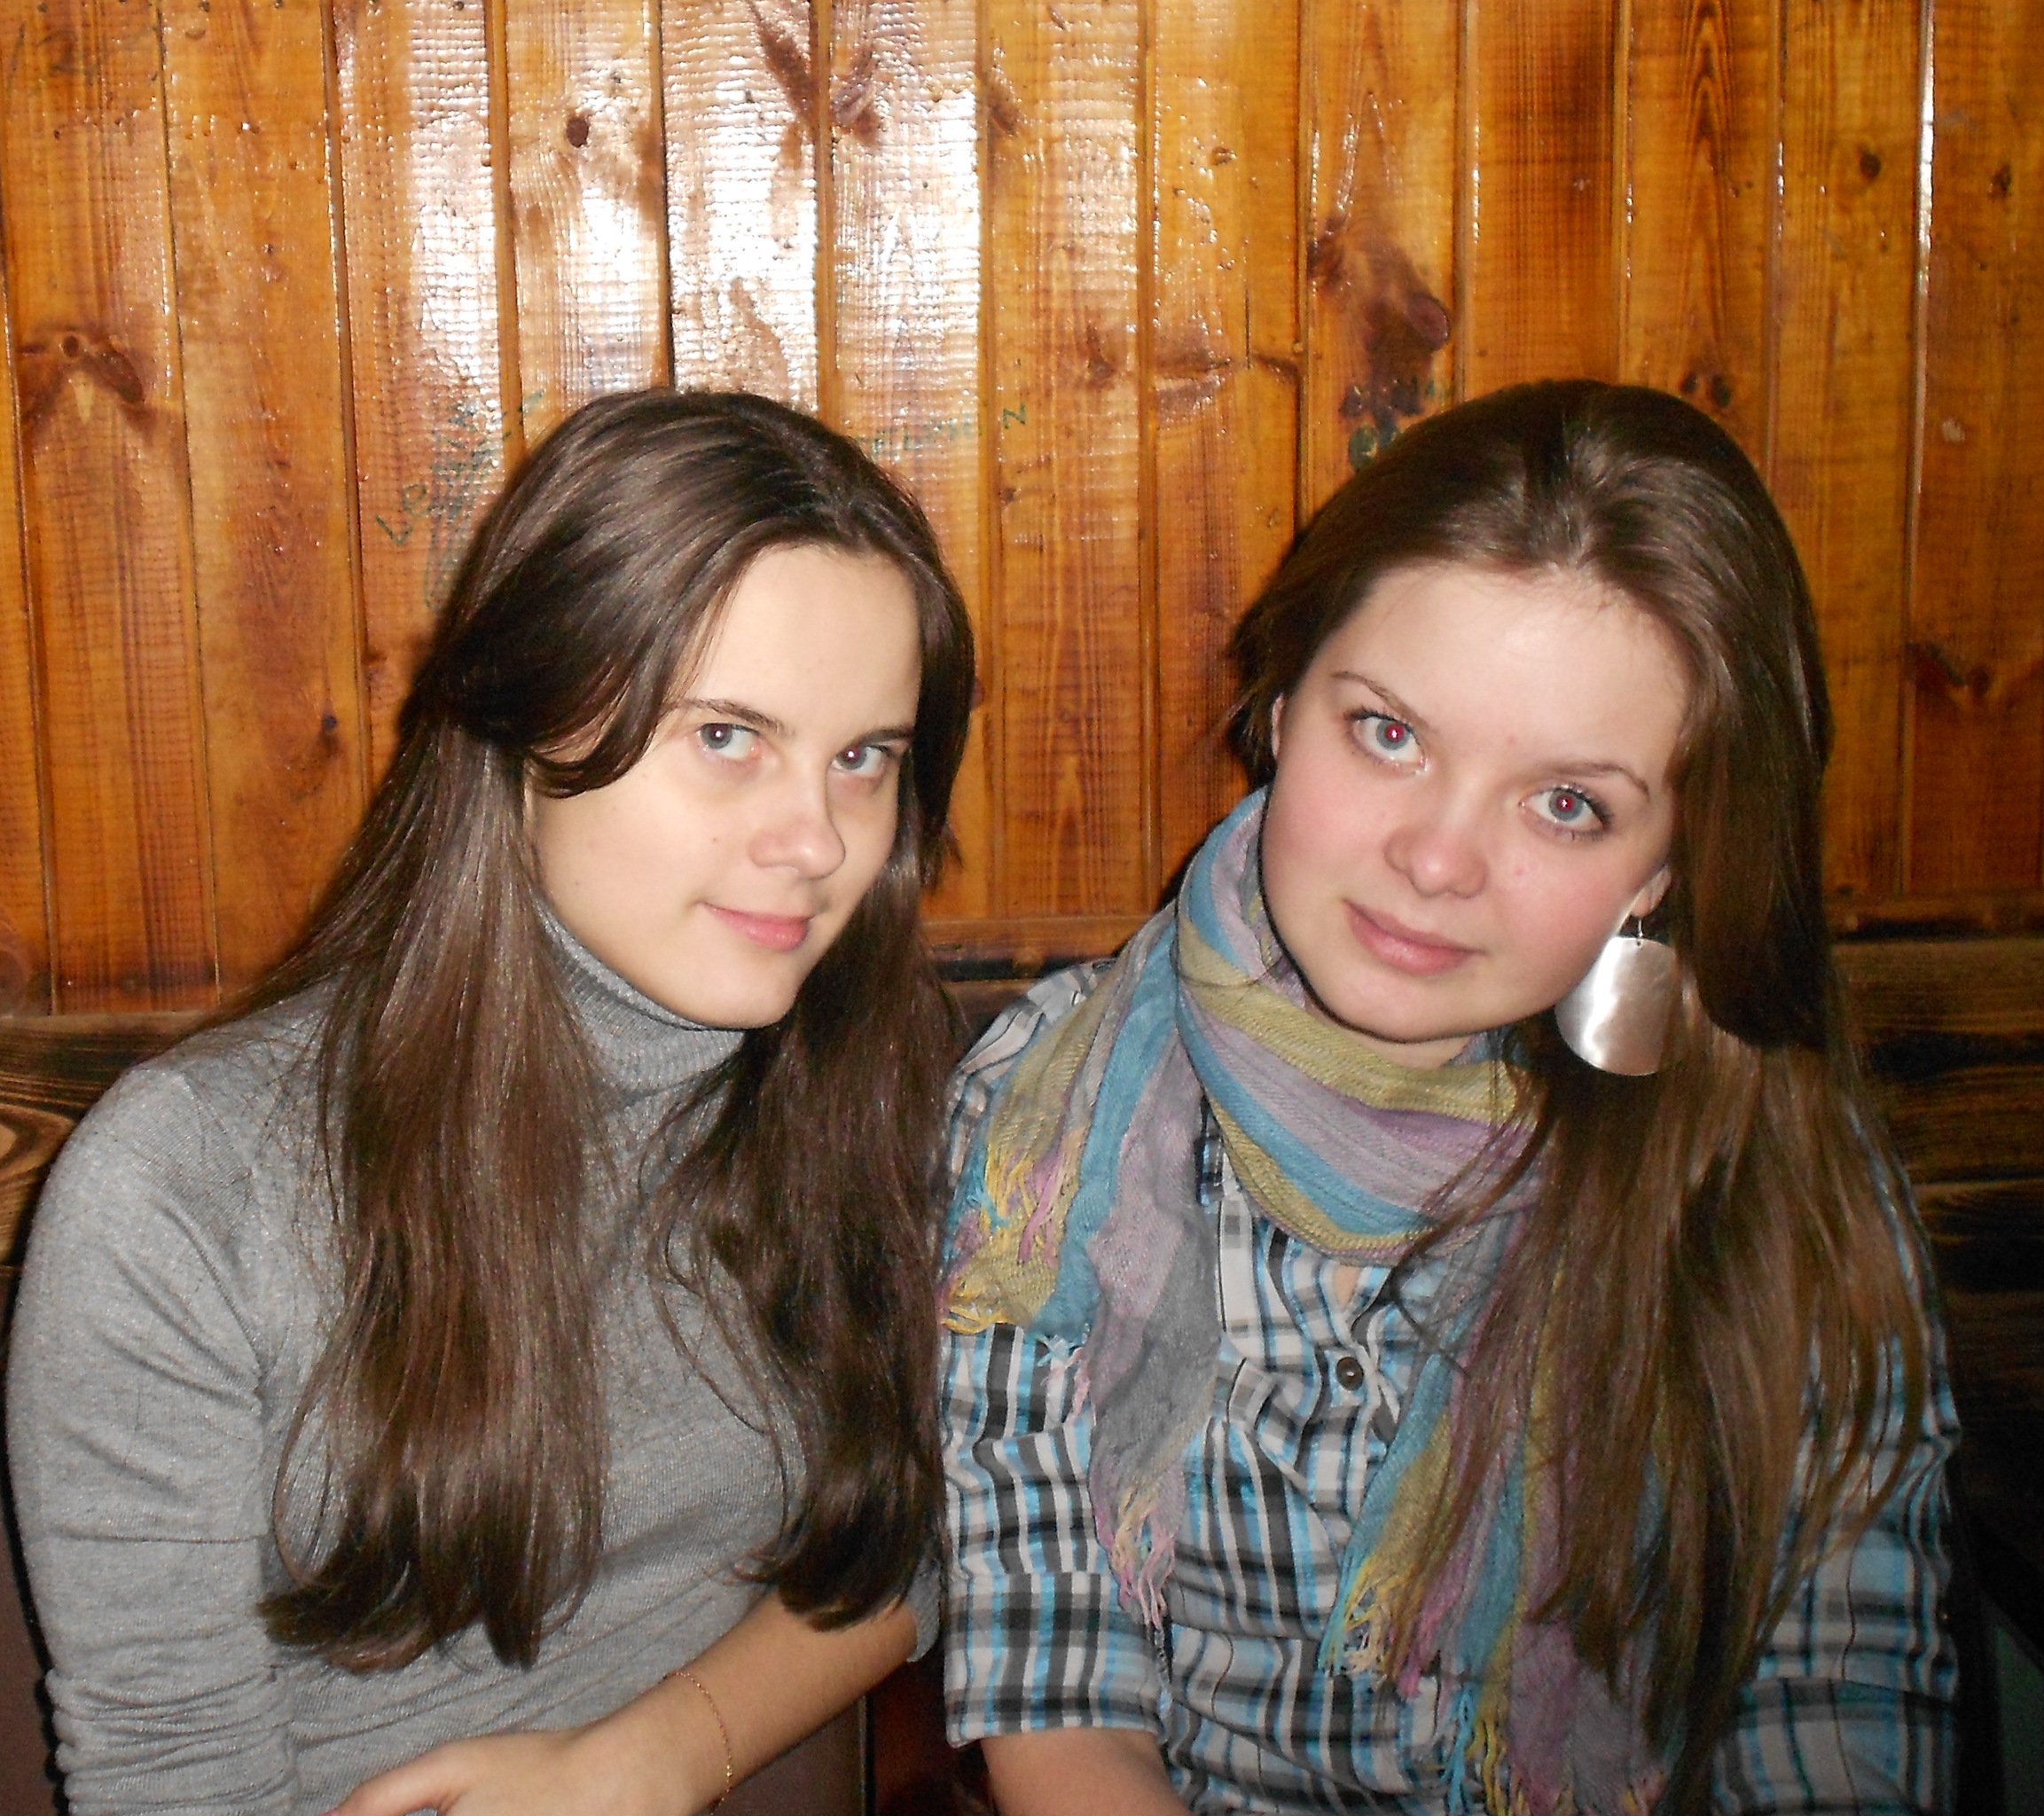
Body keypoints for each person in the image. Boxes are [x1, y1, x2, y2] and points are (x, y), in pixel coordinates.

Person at [940, 380, 1957, 1815]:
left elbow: (1831, 1704)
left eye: (1566, 804)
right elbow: (1058, 1693)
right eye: (1387, 733)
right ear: (1281, 706)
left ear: (1662, 869)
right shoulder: (1044, 1114)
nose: (1435, 859)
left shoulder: (1775, 1164)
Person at [8, 388, 976, 1815]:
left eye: (863, 758)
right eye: (727, 737)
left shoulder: (888, 1086)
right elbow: (169, 1776)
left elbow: (944, 1530)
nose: (818, 840)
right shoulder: (191, 1184)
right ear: (521, 726)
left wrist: (651, 1759)